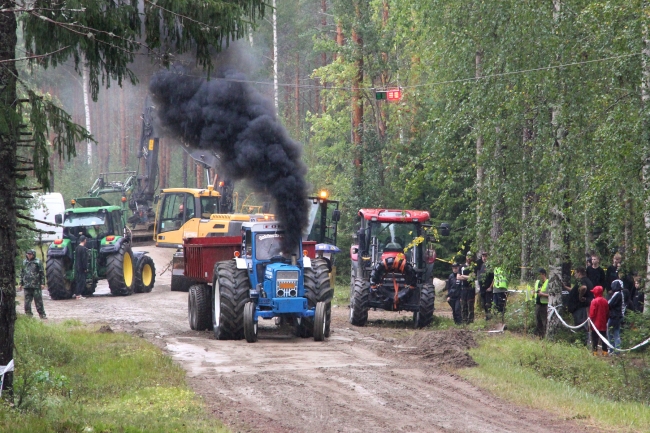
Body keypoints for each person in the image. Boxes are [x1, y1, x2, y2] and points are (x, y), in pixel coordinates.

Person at [565, 267, 593, 343]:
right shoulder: (586, 280)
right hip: (580, 308)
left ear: (579, 273)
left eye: (576, 273)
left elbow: (583, 288)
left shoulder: (582, 281)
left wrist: (580, 297)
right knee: (582, 325)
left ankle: (582, 342)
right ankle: (582, 341)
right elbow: (576, 290)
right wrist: (565, 287)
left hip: (580, 308)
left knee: (581, 326)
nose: (574, 275)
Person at [19, 249, 47, 319]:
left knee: (38, 301)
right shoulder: (24, 262)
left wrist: (42, 283)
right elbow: (21, 273)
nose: (29, 255)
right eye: (28, 254)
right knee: (27, 302)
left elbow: (41, 273)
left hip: (36, 285)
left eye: (30, 254)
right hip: (27, 285)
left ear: (33, 254)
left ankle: (42, 314)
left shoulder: (37, 262)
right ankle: (28, 315)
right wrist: (20, 283)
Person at [589, 286, 609, 356]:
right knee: (604, 337)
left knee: (595, 338)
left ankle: (595, 352)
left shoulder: (594, 301)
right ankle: (605, 351)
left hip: (595, 323)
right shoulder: (605, 301)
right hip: (603, 323)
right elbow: (607, 312)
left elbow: (592, 313)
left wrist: (590, 321)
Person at [607, 279, 626, 355]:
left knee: (611, 333)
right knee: (616, 333)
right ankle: (617, 350)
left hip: (614, 316)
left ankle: (612, 349)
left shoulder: (617, 294)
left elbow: (609, 303)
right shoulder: (621, 294)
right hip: (619, 316)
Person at [457, 252, 476, 324]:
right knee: (463, 306)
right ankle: (464, 321)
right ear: (466, 257)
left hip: (471, 289)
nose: (469, 258)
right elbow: (458, 277)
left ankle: (470, 321)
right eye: (468, 256)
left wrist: (463, 276)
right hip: (463, 289)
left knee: (470, 306)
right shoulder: (462, 266)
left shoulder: (473, 267)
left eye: (470, 257)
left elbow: (473, 277)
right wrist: (468, 277)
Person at [477, 252, 494, 320]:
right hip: (482, 288)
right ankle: (487, 316)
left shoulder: (490, 266)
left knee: (488, 303)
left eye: (485, 256)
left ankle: (489, 316)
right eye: (483, 256)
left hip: (488, 288)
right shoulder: (481, 265)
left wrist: (490, 287)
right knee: (484, 304)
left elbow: (494, 278)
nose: (484, 258)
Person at [533, 268, 549, 338]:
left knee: (544, 321)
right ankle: (539, 335)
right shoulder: (537, 282)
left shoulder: (548, 283)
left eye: (539, 274)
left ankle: (545, 335)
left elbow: (552, 295)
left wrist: (543, 294)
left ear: (543, 274)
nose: (538, 276)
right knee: (538, 320)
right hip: (538, 304)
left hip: (544, 305)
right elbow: (535, 291)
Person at [74, 235, 90, 300]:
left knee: (78, 280)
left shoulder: (77, 248)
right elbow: (84, 259)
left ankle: (77, 294)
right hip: (81, 267)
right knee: (82, 281)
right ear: (84, 240)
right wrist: (85, 268)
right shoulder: (83, 249)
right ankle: (78, 295)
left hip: (77, 266)